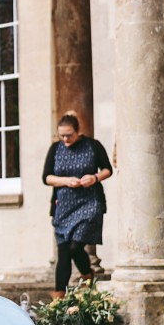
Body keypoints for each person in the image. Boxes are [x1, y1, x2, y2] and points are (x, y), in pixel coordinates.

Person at [42, 112, 113, 298]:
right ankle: (59, 298)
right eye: (62, 135)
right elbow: (47, 177)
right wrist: (66, 181)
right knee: (64, 251)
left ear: (78, 131)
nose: (65, 139)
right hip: (63, 206)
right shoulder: (55, 149)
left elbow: (108, 169)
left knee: (75, 246)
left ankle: (87, 277)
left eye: (69, 135)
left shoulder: (92, 145)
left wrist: (95, 177)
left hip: (89, 203)